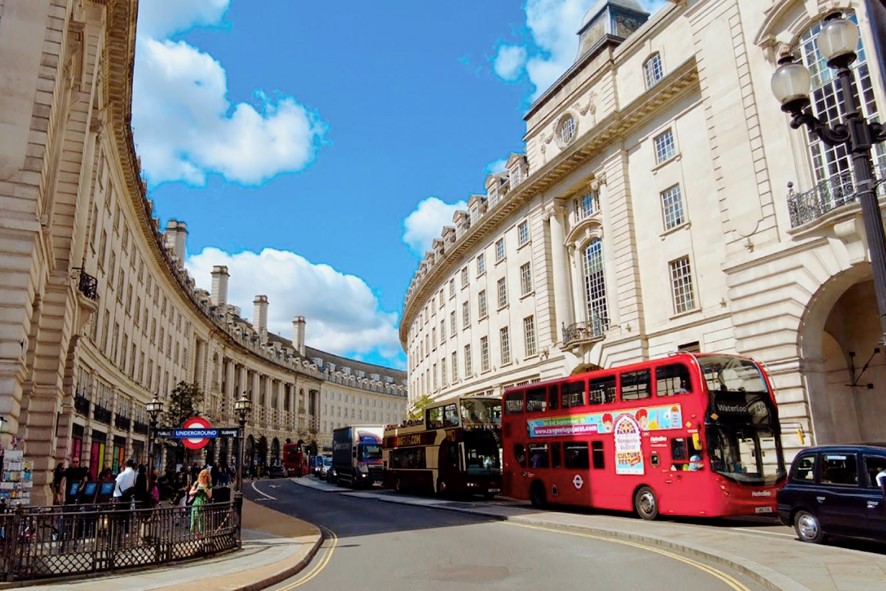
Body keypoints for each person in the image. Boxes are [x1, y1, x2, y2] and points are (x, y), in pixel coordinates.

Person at [189, 468, 212, 534]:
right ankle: (197, 538)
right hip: (196, 503)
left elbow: (210, 496)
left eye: (206, 477)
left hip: (204, 503)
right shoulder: (196, 483)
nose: (204, 478)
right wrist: (196, 491)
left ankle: (201, 538)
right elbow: (190, 493)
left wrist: (206, 490)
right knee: (195, 520)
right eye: (203, 476)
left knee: (202, 522)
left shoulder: (209, 484)